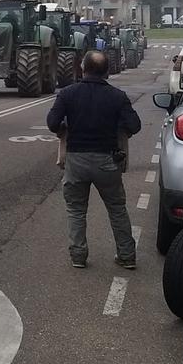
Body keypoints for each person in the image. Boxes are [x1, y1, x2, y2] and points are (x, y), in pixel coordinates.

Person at [46, 50, 141, 269]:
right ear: (107, 71)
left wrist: (64, 131)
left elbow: (52, 122)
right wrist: (118, 130)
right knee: (117, 208)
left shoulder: (68, 94)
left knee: (76, 210)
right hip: (107, 160)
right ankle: (126, 255)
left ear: (82, 68)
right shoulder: (118, 96)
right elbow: (134, 125)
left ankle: (78, 256)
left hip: (76, 160)